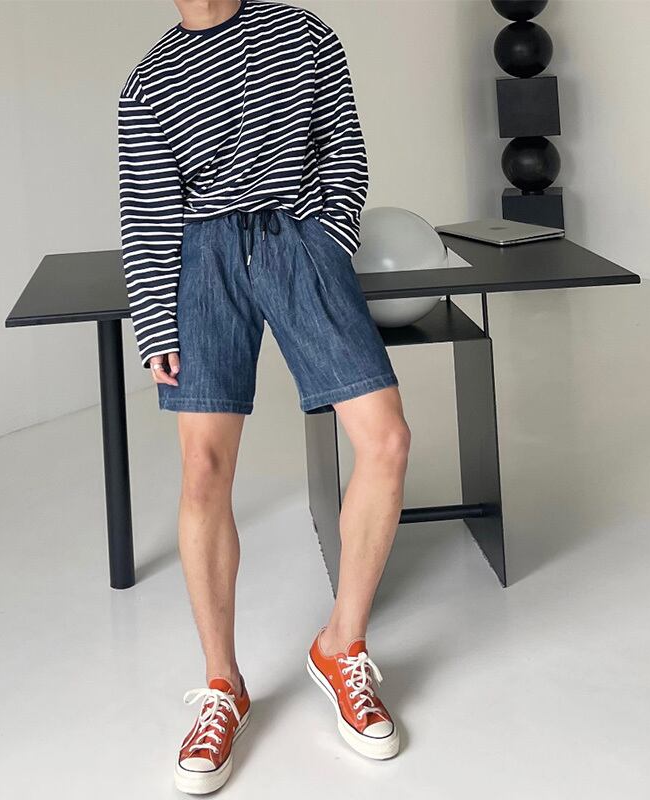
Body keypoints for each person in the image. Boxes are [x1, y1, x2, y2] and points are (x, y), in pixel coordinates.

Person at [118, 0, 411, 793]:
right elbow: (146, 213)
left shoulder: (302, 33)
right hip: (201, 260)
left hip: (297, 240)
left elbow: (343, 147)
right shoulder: (148, 82)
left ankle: (341, 646)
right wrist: (156, 319)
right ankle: (224, 686)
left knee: (385, 440)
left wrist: (328, 239)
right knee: (203, 473)